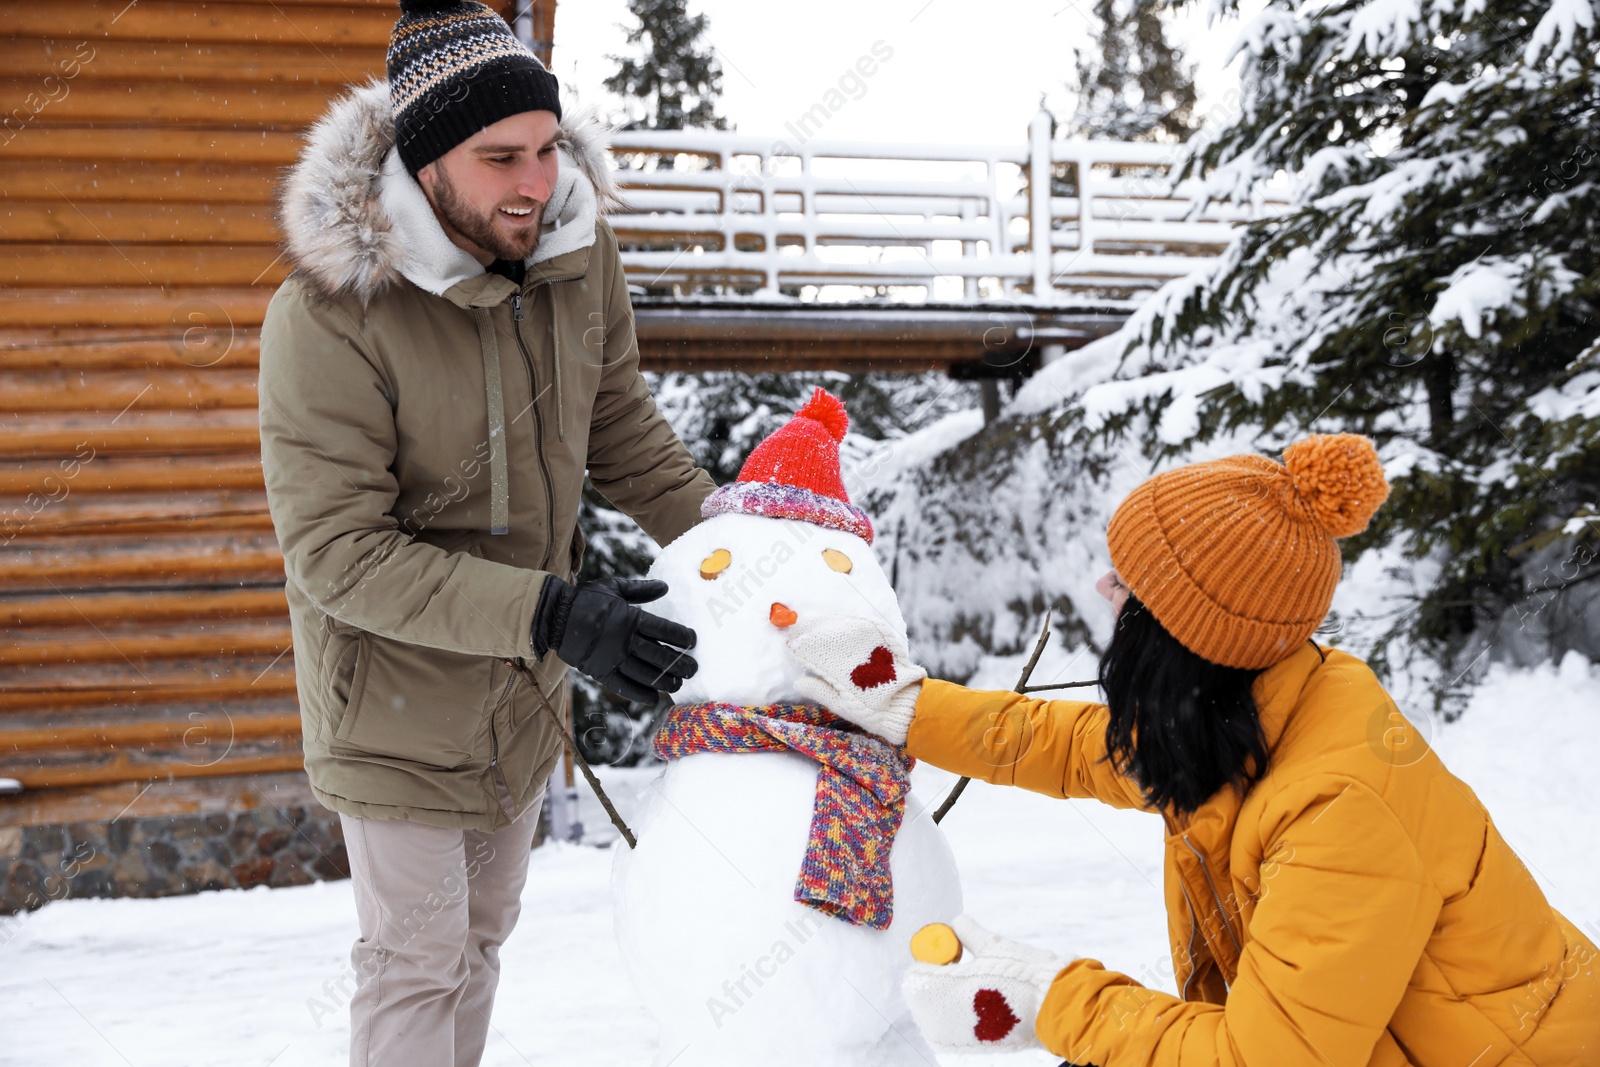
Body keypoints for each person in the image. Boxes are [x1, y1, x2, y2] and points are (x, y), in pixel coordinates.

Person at [787, 433, 1599, 1065]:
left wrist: (1050, 999)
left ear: (1192, 636)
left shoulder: (1342, 810)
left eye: (1130, 585)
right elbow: (1069, 745)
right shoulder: (1249, 710)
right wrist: (906, 706)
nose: (1106, 590)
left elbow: (1260, 1060)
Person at [258, 1, 715, 1062]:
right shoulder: (331, 313)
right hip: (394, 703)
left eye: (550, 149)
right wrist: (555, 611)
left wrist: (756, 549)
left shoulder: (572, 260)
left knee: (478, 941)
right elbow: (338, 554)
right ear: (423, 164)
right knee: (414, 965)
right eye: (499, 156)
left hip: (519, 696)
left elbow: (620, 430)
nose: (535, 182)